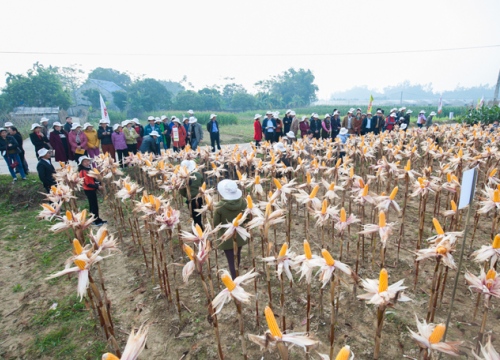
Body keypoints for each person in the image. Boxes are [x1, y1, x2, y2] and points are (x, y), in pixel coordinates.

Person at [214, 179, 247, 279]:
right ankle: (236, 274)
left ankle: (234, 279)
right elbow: (247, 219)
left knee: (231, 260)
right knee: (238, 255)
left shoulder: (220, 206)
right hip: (240, 236)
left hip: (227, 238)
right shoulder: (244, 202)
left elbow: (216, 224)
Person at [78, 156, 106, 226]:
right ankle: (96, 221)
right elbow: (87, 183)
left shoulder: (88, 170)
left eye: (88, 161)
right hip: (89, 190)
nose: (87, 163)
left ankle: (94, 219)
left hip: (92, 189)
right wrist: (97, 186)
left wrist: (98, 183)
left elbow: (93, 180)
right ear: (81, 163)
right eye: (85, 161)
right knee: (94, 206)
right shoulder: (83, 171)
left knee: (93, 205)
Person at [179, 160, 204, 229]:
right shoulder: (199, 175)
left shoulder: (182, 178)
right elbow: (203, 185)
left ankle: (198, 228)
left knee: (194, 215)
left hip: (191, 199)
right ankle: (199, 227)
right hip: (199, 197)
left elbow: (181, 190)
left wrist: (187, 196)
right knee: (199, 213)